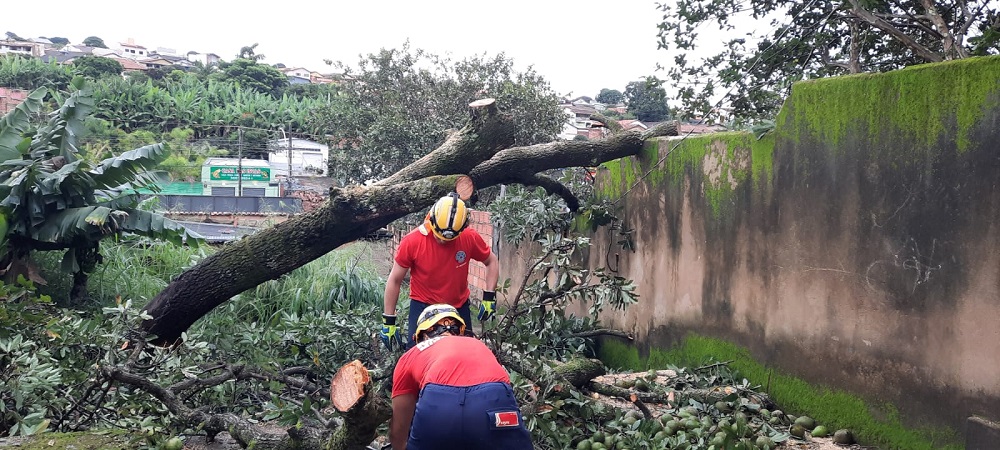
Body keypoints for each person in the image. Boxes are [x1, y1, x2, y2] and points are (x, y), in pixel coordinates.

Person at [389, 304, 532, 450]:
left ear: (421, 336)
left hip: (439, 402)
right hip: (495, 396)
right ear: (461, 331)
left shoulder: (411, 354)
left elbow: (399, 428)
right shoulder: (478, 345)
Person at [380, 193, 499, 349]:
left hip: (458, 306)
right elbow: (395, 280)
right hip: (423, 306)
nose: (442, 240)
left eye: (448, 239)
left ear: (462, 229)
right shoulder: (413, 241)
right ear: (432, 220)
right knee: (416, 354)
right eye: (439, 236)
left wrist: (489, 296)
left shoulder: (469, 237)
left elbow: (491, 261)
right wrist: (389, 320)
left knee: (465, 352)